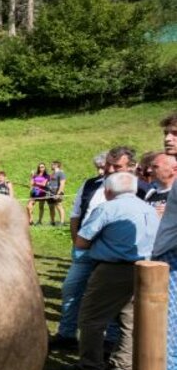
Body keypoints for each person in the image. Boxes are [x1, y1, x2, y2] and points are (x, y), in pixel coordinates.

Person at [67, 172, 158, 370]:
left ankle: (90, 367)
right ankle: (121, 368)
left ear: (107, 191)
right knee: (129, 321)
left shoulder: (107, 208)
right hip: (144, 269)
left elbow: (82, 242)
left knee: (91, 318)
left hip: (112, 270)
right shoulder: (150, 209)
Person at [53, 148, 134, 348]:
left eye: (117, 166)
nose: (110, 169)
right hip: (85, 249)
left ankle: (111, 341)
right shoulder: (90, 184)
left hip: (114, 254)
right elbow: (76, 214)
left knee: (113, 298)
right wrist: (76, 242)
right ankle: (66, 334)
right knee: (71, 289)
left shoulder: (136, 189)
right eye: (109, 165)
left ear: (130, 167)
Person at [150, 111, 177, 370]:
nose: (169, 138)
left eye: (176, 133)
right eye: (169, 133)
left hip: (173, 260)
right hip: (167, 258)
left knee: (168, 347)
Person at [47, 160, 67, 226]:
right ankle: (52, 222)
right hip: (50, 193)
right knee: (51, 207)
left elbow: (62, 184)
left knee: (59, 206)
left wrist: (58, 193)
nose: (51, 166)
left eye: (52, 164)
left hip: (57, 193)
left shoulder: (61, 173)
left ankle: (62, 222)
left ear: (56, 165)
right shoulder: (52, 174)